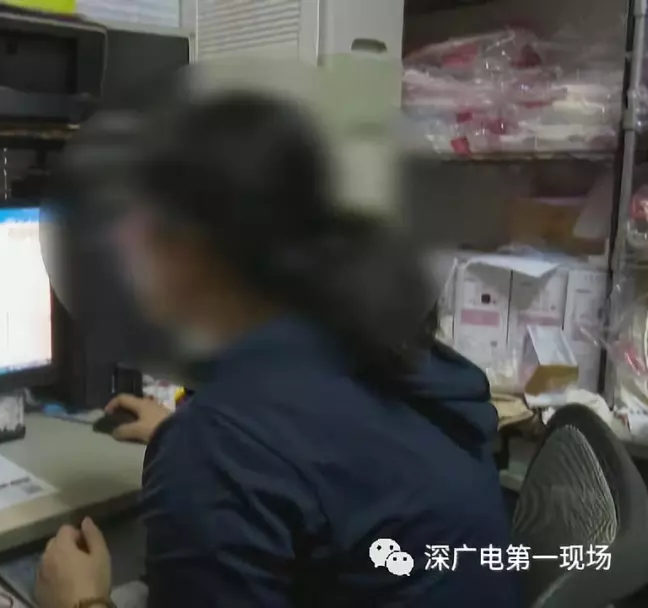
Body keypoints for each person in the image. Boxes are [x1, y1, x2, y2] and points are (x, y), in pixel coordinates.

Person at [35, 92, 516, 607]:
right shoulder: (392, 351)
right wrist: (203, 435)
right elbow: (331, 452)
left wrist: (79, 602)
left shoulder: (225, 449)